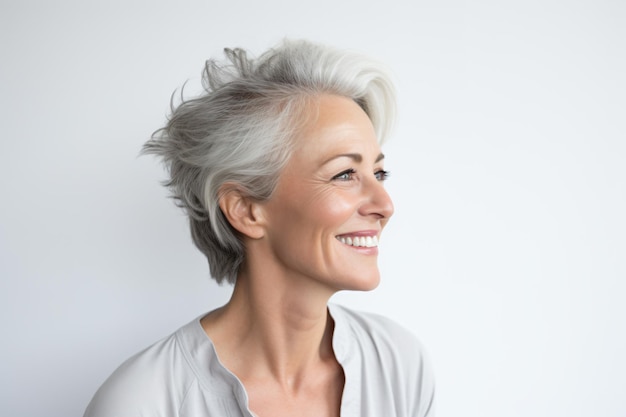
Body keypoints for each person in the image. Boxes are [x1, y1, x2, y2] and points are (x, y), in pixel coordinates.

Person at [83, 39, 435, 417]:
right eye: (345, 174)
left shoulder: (397, 364)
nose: (385, 205)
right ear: (246, 209)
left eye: (379, 172)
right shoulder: (143, 401)